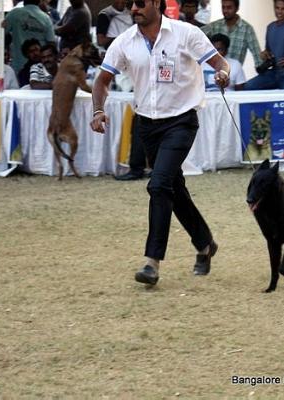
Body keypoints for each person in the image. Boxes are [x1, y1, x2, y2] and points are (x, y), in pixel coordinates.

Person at [90, 0, 230, 286]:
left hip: (181, 121)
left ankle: (152, 263)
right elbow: (102, 81)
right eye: (131, 4)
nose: (134, 8)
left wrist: (223, 74)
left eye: (140, 3)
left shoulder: (185, 33)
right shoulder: (124, 42)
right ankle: (205, 244)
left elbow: (220, 63)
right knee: (172, 188)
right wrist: (98, 110)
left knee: (157, 184)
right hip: (147, 126)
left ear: (157, 3)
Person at [201, 0, 262, 66]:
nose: (225, 11)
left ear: (237, 8)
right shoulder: (214, 26)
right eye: (223, 7)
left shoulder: (247, 29)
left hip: (235, 72)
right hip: (215, 72)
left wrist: (262, 69)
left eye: (229, 7)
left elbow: (258, 57)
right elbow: (195, 35)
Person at [5, 0, 56, 73]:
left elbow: (0, 32)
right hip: (40, 66)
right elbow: (51, 43)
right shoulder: (46, 18)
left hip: (19, 65)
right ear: (39, 2)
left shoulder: (14, 14)